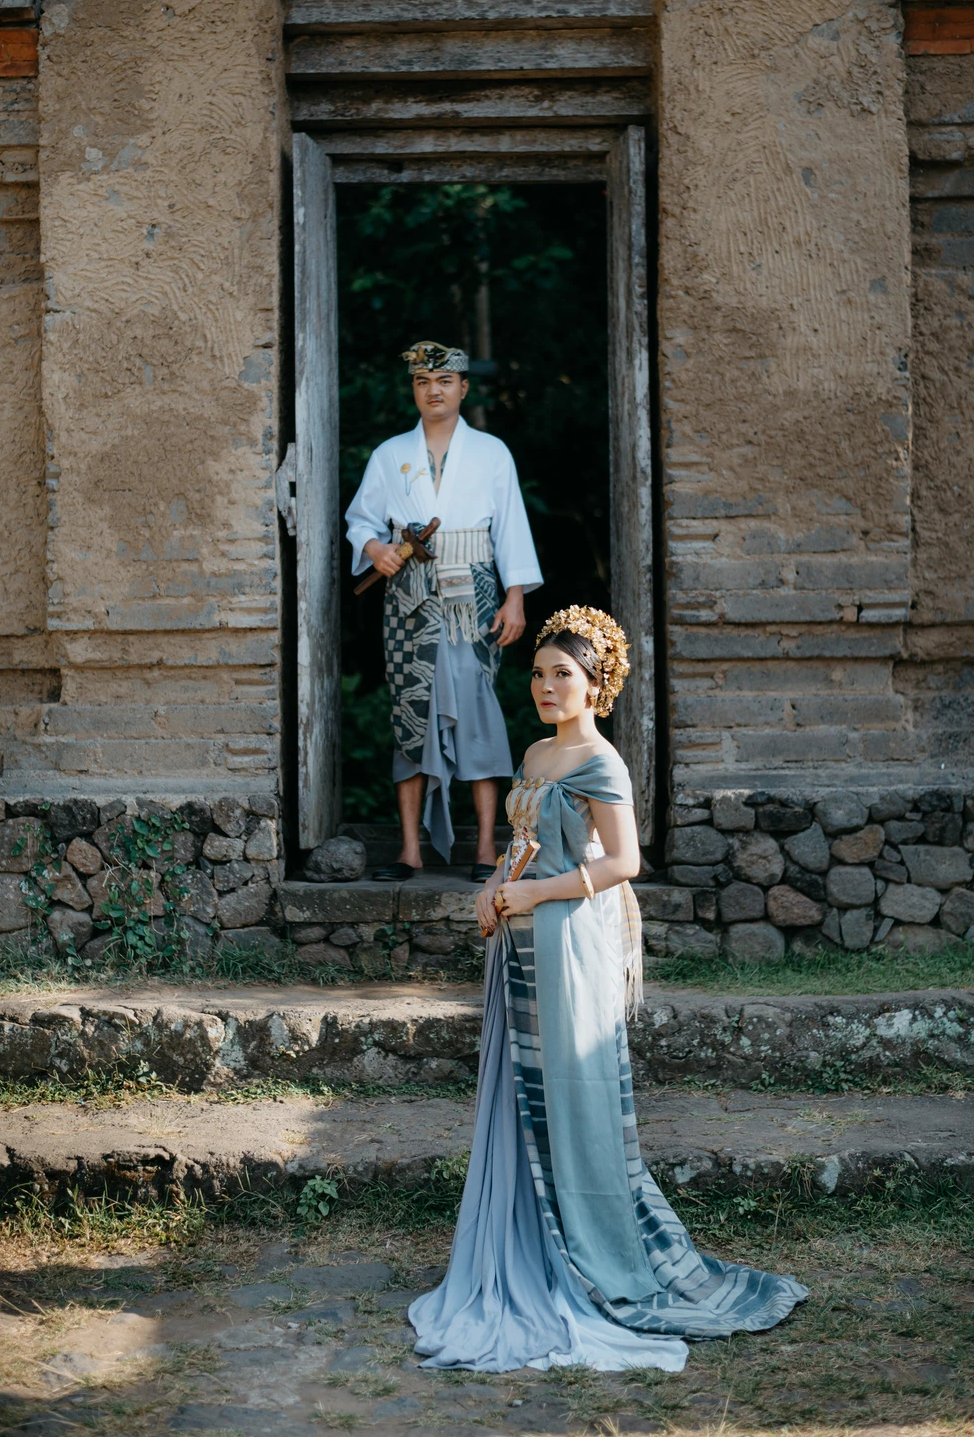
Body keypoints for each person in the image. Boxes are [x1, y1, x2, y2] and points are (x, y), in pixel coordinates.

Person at [409, 605, 807, 1373]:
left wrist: (533, 895)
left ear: (595, 685)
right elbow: (524, 844)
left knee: (573, 1095)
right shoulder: (534, 753)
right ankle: (523, 1241)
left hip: (570, 941)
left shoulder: (602, 762)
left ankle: (593, 1250)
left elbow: (623, 862)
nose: (545, 686)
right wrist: (492, 887)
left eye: (562, 674)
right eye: (537, 674)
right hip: (518, 939)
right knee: (521, 1091)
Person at [345, 340, 542, 880]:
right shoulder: (390, 454)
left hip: (473, 596)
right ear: (414, 389)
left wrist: (516, 596)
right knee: (411, 708)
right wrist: (376, 549)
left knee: (477, 708)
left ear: (463, 387)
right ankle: (410, 850)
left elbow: (511, 527)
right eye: (422, 382)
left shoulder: (492, 452)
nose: (433, 390)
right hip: (409, 598)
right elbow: (360, 519)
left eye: (444, 381)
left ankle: (484, 849)